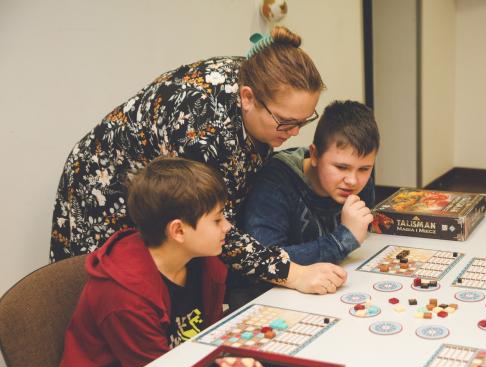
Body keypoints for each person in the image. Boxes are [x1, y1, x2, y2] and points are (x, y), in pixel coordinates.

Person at [50, 26, 346, 296]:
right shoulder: (204, 127)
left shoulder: (260, 83)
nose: (294, 133)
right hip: (104, 187)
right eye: (285, 122)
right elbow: (215, 227)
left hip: (155, 178)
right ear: (247, 98)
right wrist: (294, 275)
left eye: (303, 121)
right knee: (115, 292)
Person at [45, 157, 231, 367]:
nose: (227, 226)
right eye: (217, 219)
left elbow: (208, 340)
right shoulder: (123, 295)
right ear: (178, 231)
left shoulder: (203, 263)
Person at [230, 101, 378, 306]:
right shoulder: (275, 182)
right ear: (315, 155)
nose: (353, 180)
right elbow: (264, 260)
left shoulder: (360, 184)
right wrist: (343, 239)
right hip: (271, 300)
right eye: (341, 167)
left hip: (330, 291)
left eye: (364, 169)